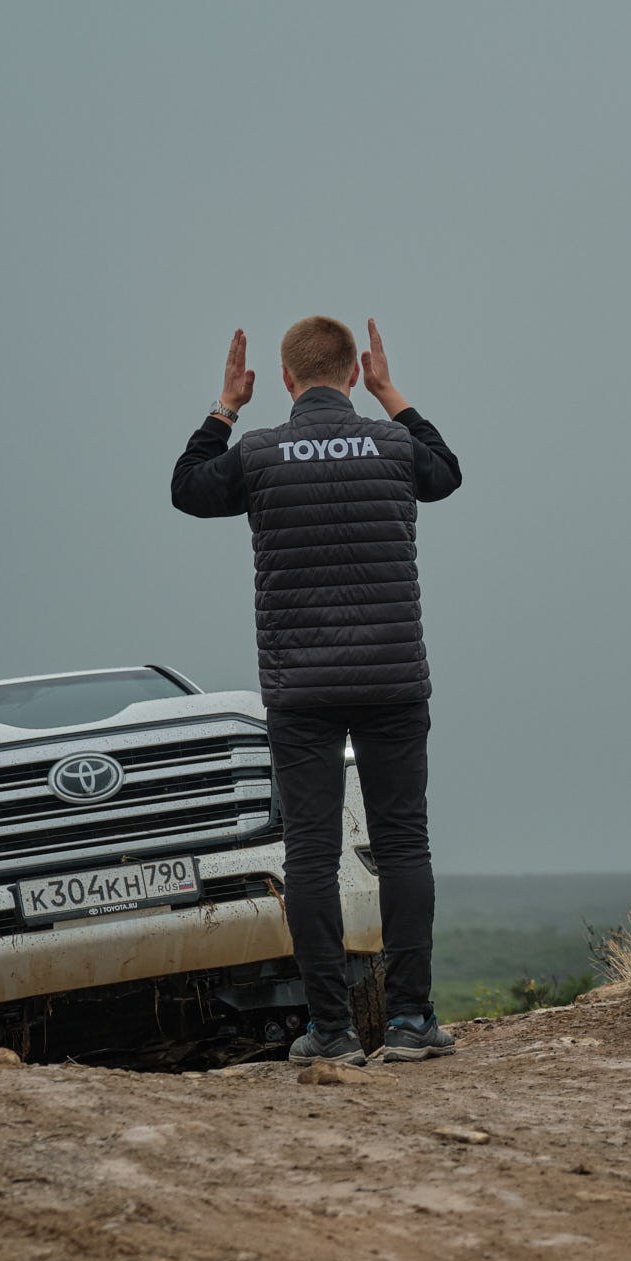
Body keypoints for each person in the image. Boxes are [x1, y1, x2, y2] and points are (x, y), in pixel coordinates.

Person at [171, 317, 462, 1067]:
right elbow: (447, 471)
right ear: (351, 372)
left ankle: (330, 1032)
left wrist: (226, 407)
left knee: (309, 852)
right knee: (403, 843)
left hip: (301, 688)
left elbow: (187, 490)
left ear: (288, 379)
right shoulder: (395, 446)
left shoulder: (261, 454)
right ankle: (407, 1023)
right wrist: (391, 391)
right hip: (393, 679)